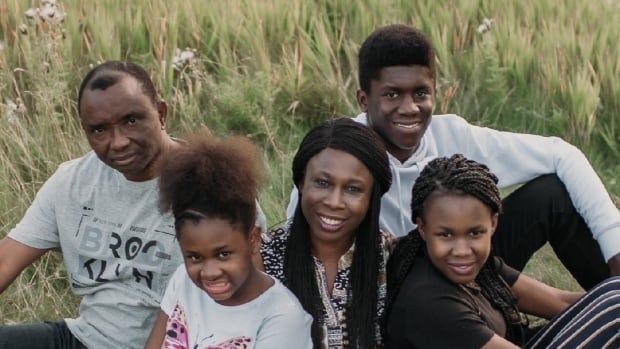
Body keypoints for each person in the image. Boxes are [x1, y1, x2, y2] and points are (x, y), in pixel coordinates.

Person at [286, 24, 620, 290]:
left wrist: (614, 246)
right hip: (386, 293)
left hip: (460, 260)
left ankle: (613, 299)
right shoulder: (338, 155)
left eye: (420, 93)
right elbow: (296, 238)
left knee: (552, 195)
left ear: (435, 92)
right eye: (391, 94)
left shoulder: (453, 136)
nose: (409, 108)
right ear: (363, 99)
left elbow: (563, 154)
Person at [0, 61, 266, 349]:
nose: (118, 142)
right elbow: (6, 261)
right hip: (86, 338)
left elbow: (249, 303)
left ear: (161, 114)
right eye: (99, 130)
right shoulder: (71, 183)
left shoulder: (214, 185)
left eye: (131, 121)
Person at [385, 154, 620, 349]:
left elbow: (560, 302)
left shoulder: (479, 269)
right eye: (446, 235)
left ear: (493, 224)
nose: (462, 250)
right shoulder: (431, 303)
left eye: (475, 233)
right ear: (423, 228)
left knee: (613, 292)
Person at [145, 131, 312, 349]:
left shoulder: (283, 318)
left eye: (223, 254)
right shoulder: (183, 281)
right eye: (195, 257)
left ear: (253, 239)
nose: (210, 272)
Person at [258, 118, 392, 348]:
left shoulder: (391, 257)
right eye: (322, 183)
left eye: (353, 189)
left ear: (372, 197)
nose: (334, 202)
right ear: (301, 183)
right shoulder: (262, 258)